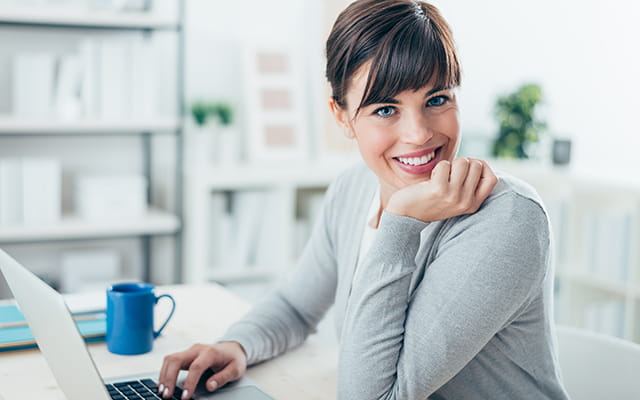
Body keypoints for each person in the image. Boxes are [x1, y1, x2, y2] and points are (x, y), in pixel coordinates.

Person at [158, 1, 569, 399]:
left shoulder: (507, 219)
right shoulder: (354, 187)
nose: (419, 133)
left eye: (437, 99)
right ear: (342, 116)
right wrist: (238, 345)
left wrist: (401, 220)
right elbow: (297, 305)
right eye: (386, 109)